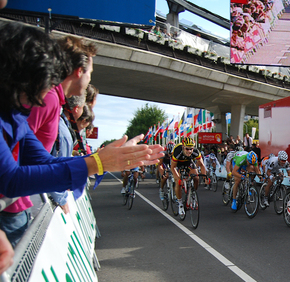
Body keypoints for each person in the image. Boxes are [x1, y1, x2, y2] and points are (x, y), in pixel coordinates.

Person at [0, 22, 164, 246]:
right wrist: (95, 163)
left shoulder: (19, 110)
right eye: (39, 87)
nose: (42, 98)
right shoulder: (41, 102)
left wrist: (100, 160)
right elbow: (9, 179)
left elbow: (43, 160)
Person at [170, 137, 207, 216]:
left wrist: (205, 178)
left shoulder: (196, 152)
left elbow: (202, 165)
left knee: (196, 177)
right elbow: (173, 167)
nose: (189, 151)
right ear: (183, 147)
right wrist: (178, 179)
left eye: (191, 149)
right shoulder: (178, 151)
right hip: (178, 164)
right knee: (178, 182)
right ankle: (180, 203)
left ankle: (193, 194)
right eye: (187, 149)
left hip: (188, 162)